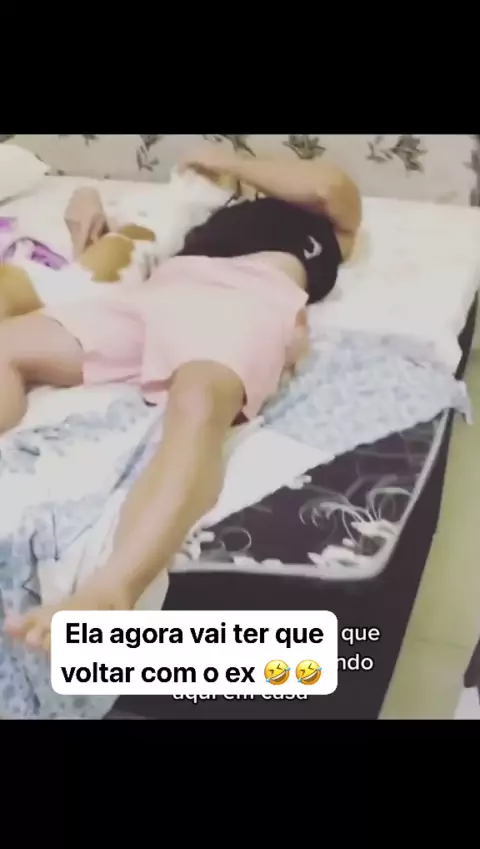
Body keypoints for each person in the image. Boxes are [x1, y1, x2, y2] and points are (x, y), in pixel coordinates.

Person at [2, 143, 362, 651]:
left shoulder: (330, 225)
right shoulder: (213, 212)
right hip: (154, 295)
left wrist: (227, 160)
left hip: (244, 296)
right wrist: (88, 200)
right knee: (8, 344)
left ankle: (111, 590)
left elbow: (328, 186)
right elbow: (137, 232)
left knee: (199, 401)